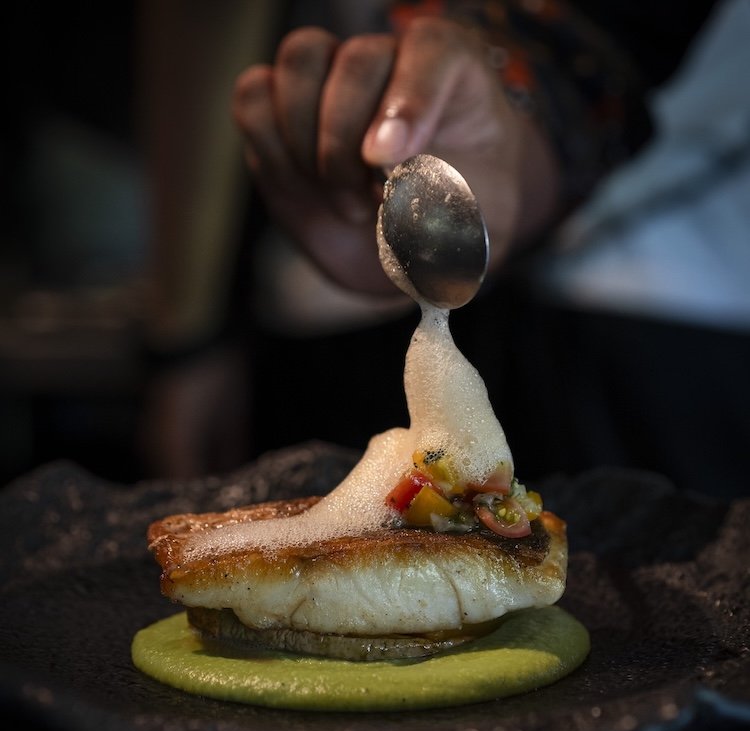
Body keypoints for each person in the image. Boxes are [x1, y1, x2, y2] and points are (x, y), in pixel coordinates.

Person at [146, 1, 746, 496]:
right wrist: (193, 330)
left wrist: (510, 128)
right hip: (328, 283)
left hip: (663, 307)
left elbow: (606, 38)